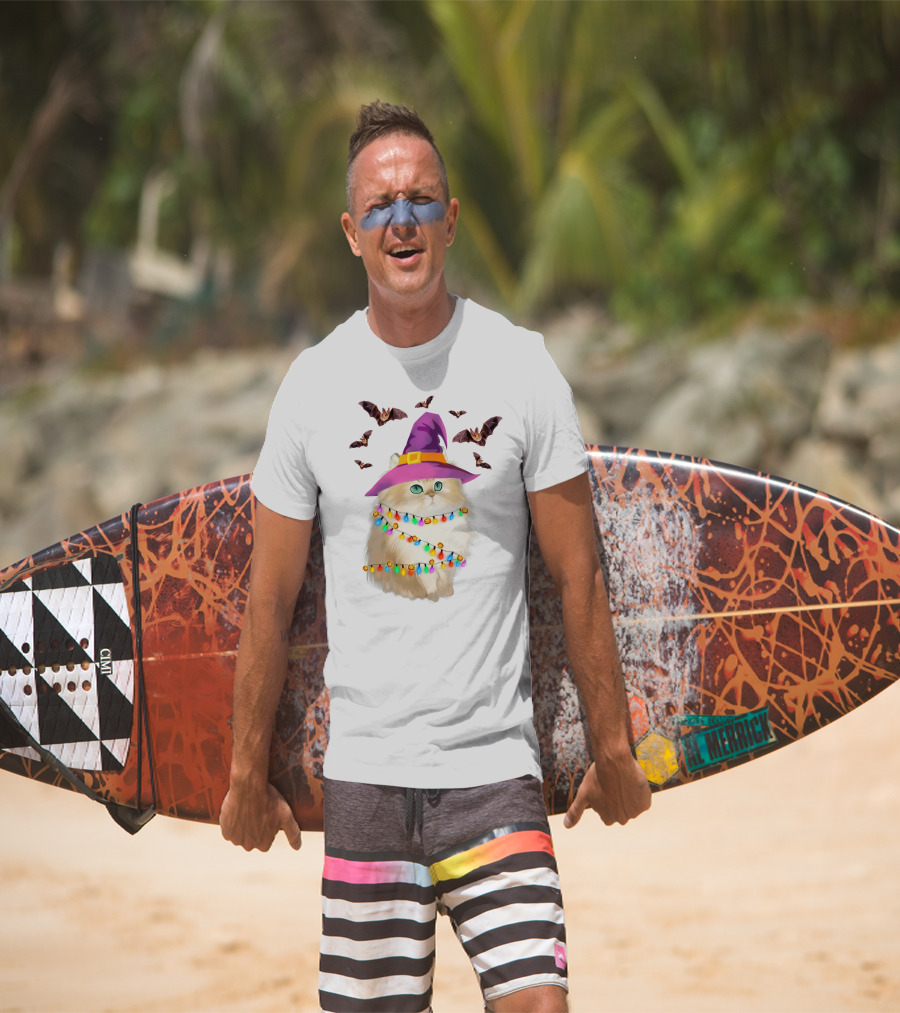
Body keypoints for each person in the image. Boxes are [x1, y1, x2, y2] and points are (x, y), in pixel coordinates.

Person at [220, 100, 651, 1013]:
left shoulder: (523, 367)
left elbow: (579, 574)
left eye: (421, 200)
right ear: (351, 232)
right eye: (380, 206)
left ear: (451, 219)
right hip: (368, 778)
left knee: (540, 1003)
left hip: (495, 772)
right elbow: (269, 599)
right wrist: (242, 772)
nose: (402, 220)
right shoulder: (313, 387)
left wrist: (612, 746)